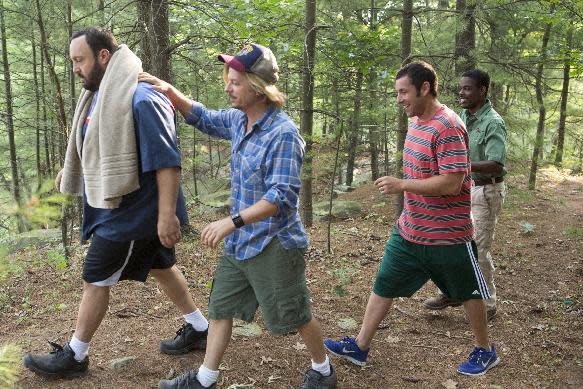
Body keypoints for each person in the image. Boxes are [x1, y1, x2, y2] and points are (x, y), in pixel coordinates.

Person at [139, 43, 337, 389]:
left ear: (258, 87)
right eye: (228, 80)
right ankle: (205, 378)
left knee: (295, 314)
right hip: (241, 243)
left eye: (235, 82)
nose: (227, 88)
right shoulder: (238, 120)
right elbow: (202, 116)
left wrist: (231, 222)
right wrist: (170, 91)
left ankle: (323, 370)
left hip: (276, 244)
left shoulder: (283, 134)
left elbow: (282, 197)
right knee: (220, 308)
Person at [22, 27, 208, 378]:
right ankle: (199, 327)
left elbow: (167, 160)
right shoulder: (100, 95)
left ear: (104, 56)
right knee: (160, 266)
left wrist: (167, 215)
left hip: (133, 214)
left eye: (80, 60)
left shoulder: (141, 98)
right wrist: (70, 167)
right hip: (121, 207)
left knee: (96, 277)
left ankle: (75, 356)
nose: (76, 68)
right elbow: (92, 142)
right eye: (73, 60)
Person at [324, 61, 500, 377]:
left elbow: (452, 182)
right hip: (410, 230)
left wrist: (402, 185)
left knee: (469, 293)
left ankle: (485, 350)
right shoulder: (417, 122)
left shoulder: (448, 126)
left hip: (449, 235)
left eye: (403, 92)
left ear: (425, 88)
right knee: (384, 282)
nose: (399, 99)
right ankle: (360, 346)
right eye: (397, 93)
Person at [423, 69, 507, 321]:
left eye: (468, 88)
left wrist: (459, 167)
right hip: (463, 189)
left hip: (486, 190)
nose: (461, 92)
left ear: (482, 90)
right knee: (452, 242)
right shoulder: (461, 117)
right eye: (460, 88)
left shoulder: (493, 121)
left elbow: (496, 163)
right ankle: (451, 292)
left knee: (478, 249)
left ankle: (489, 302)